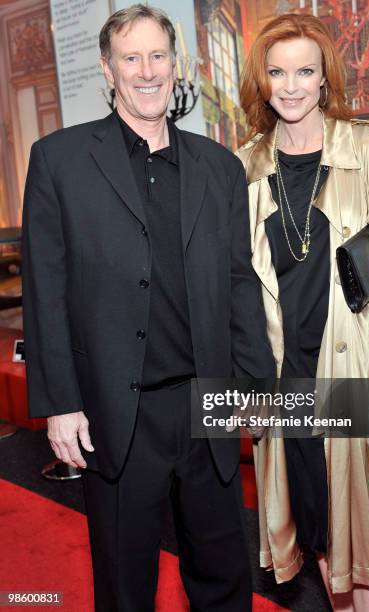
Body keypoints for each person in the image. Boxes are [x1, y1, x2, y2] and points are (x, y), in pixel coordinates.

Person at [22, 5, 275, 611]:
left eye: (157, 56)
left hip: (205, 405)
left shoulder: (219, 167)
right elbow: (45, 289)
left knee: (223, 574)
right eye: (130, 58)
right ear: (108, 70)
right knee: (126, 582)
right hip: (117, 408)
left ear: (175, 64)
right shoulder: (59, 160)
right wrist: (60, 404)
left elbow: (239, 283)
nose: (146, 71)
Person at [237, 13, 369, 612]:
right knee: (319, 526)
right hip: (287, 376)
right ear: (262, 80)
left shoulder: (365, 148)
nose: (290, 86)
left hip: (355, 367)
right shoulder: (246, 168)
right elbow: (239, 284)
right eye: (277, 71)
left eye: (304, 71)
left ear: (323, 79)